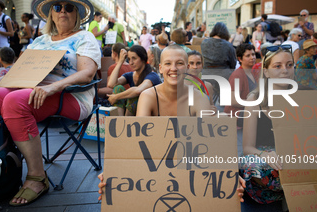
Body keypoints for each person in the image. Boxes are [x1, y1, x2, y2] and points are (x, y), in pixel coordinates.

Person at [0, 0, 101, 206]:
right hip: (31, 90)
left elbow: (87, 73)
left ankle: (37, 177)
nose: (63, 11)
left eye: (69, 7)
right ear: (51, 14)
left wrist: (53, 87)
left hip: (70, 95)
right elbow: (21, 70)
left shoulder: (85, 37)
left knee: (15, 101)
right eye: (58, 7)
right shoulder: (40, 40)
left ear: (76, 14)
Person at [100, 45, 245, 201]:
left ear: (187, 67)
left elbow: (210, 141)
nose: (174, 68)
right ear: (160, 68)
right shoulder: (148, 96)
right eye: (168, 64)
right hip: (155, 164)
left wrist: (230, 173)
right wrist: (114, 170)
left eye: (180, 63)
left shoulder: (199, 98)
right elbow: (138, 142)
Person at [240, 45, 295, 204]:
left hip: (294, 157)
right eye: (277, 66)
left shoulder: (303, 98)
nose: (285, 70)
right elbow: (247, 148)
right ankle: (290, 192)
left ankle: (293, 192)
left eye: (289, 65)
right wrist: (265, 155)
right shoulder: (254, 99)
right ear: (266, 71)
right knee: (251, 166)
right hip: (267, 162)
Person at [107, 45, 161, 116]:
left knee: (134, 96)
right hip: (136, 112)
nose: (131, 62)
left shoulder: (152, 75)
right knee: (118, 88)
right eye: (129, 59)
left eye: (134, 58)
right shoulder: (130, 75)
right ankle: (120, 122)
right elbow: (111, 84)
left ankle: (126, 124)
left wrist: (116, 97)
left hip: (152, 111)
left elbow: (137, 90)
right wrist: (120, 62)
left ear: (143, 59)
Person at [224, 43, 257, 124]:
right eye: (248, 56)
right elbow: (233, 101)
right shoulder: (237, 75)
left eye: (253, 54)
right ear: (240, 59)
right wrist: (254, 103)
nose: (252, 57)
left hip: (249, 110)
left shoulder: (253, 73)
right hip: (237, 114)